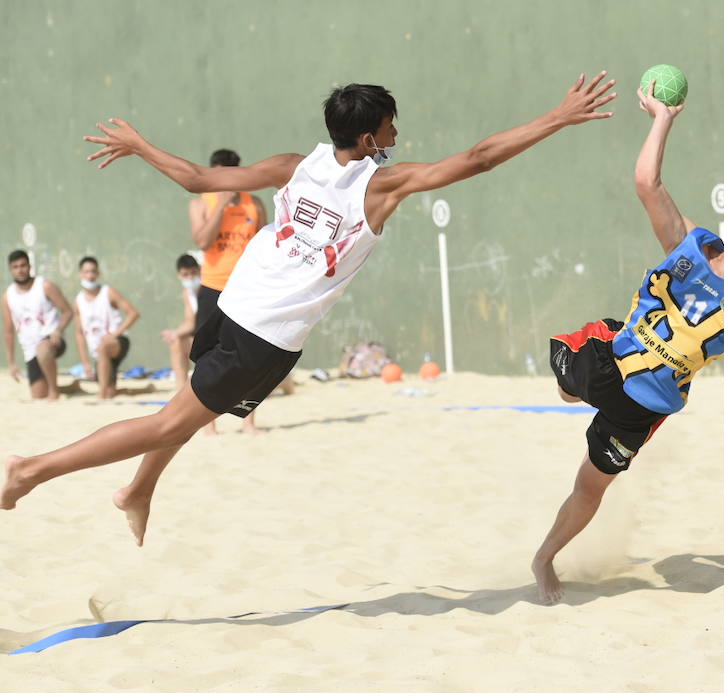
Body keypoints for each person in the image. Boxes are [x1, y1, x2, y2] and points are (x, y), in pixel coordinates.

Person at [2, 72, 617, 543]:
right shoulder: (381, 185)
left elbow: (193, 179)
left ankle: (138, 489)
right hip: (263, 336)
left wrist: (141, 145)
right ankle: (30, 470)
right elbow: (479, 158)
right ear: (371, 136)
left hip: (227, 307)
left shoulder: (293, 167)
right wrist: (558, 117)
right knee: (168, 424)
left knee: (185, 411)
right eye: (393, 127)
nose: (399, 136)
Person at [531, 84, 724, 604]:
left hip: (644, 406)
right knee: (569, 385)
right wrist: (662, 118)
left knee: (591, 487)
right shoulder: (688, 247)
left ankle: (543, 558)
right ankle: (573, 389)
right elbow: (647, 182)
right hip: (611, 358)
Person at [189, 149, 269, 433]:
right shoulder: (200, 204)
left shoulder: (254, 203)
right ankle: (207, 424)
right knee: (208, 354)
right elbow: (202, 241)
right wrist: (221, 206)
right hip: (213, 286)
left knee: (252, 354)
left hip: (247, 288)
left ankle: (248, 423)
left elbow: (264, 246)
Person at [4, 250, 73, 402]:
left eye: (23, 265)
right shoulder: (7, 296)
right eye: (15, 267)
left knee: (43, 348)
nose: (20, 270)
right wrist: (11, 363)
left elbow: (67, 311)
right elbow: (9, 331)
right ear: (11, 270)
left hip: (51, 340)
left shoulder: (45, 286)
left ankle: (55, 393)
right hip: (29, 349)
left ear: (29, 266)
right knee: (38, 394)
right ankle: (70, 388)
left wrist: (58, 331)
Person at [72, 256, 140, 400]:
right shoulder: (78, 301)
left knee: (103, 347)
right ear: (80, 274)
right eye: (86, 272)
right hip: (98, 354)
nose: (90, 276)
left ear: (98, 273)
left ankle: (100, 396)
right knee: (111, 391)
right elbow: (79, 333)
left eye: (93, 272)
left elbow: (133, 313)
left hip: (117, 343)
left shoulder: (108, 292)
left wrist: (115, 334)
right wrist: (85, 362)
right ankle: (146, 389)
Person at [160, 253, 201, 390]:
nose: (190, 277)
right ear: (179, 276)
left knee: (177, 337)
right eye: (186, 274)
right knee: (176, 342)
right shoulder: (187, 293)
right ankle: (181, 389)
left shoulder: (209, 289)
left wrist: (175, 333)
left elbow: (194, 323)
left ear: (200, 270)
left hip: (217, 339)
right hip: (200, 338)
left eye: (193, 273)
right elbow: (189, 322)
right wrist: (175, 334)